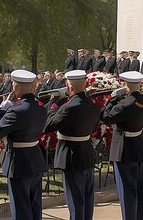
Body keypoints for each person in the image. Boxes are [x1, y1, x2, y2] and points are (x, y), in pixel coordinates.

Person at [0, 70, 48, 220]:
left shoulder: (15, 110)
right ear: (34, 87)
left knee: (21, 208)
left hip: (19, 162)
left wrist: (3, 107)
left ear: (15, 88)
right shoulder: (41, 107)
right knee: (34, 207)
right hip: (35, 158)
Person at [44, 70, 101, 220]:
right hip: (87, 154)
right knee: (87, 199)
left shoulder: (68, 107)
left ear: (69, 87)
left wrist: (53, 105)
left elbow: (48, 125)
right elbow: (94, 129)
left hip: (71, 156)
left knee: (75, 201)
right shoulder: (93, 106)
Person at [101, 71, 143, 220]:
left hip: (125, 149)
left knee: (127, 190)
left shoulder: (124, 105)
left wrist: (112, 99)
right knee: (139, 189)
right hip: (139, 146)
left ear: (125, 85)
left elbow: (106, 117)